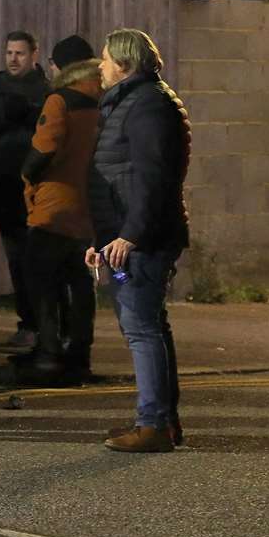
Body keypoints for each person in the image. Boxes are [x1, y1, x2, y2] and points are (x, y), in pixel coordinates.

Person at [88, 28, 191, 454]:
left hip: (142, 239)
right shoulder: (137, 101)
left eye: (106, 58)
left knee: (142, 330)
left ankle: (153, 425)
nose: (100, 65)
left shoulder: (147, 105)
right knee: (150, 328)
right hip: (131, 235)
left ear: (125, 65)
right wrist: (105, 236)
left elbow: (152, 179)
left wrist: (130, 235)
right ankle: (162, 423)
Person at [19, 34, 100, 382]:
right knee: (81, 284)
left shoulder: (60, 100)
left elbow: (44, 149)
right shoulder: (106, 98)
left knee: (43, 283)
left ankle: (49, 353)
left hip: (55, 204)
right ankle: (79, 355)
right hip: (90, 206)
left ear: (57, 66)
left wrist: (26, 173)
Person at [0, 30, 50, 348]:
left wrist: (27, 115)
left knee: (40, 261)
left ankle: (46, 326)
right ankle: (29, 323)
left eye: (19, 53)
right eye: (9, 53)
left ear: (34, 55)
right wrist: (1, 117)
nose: (13, 59)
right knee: (17, 260)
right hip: (4, 188)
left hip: (39, 190)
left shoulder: (45, 91)